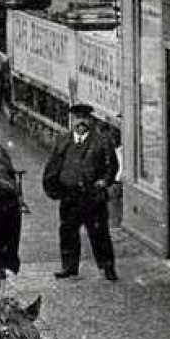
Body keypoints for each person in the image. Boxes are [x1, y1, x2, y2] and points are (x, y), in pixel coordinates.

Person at [42, 103, 119, 281]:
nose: (81, 123)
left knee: (99, 233)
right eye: (77, 119)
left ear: (90, 121)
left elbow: (112, 165)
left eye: (84, 119)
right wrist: (55, 188)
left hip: (93, 196)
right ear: (72, 121)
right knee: (68, 232)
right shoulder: (63, 140)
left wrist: (105, 181)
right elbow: (53, 165)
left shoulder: (102, 141)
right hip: (70, 196)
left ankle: (107, 267)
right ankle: (69, 267)